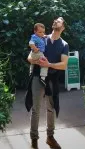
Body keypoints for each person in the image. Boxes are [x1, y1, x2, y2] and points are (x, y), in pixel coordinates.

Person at [26, 17, 69, 149]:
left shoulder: (64, 45)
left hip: (52, 80)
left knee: (51, 109)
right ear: (52, 24)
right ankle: (34, 141)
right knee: (36, 110)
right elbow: (29, 57)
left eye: (59, 20)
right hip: (38, 77)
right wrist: (35, 61)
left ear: (63, 27)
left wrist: (49, 64)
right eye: (55, 20)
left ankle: (50, 138)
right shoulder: (42, 38)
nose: (56, 21)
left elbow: (63, 65)